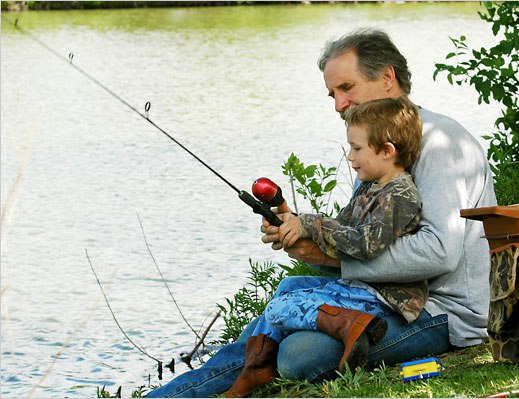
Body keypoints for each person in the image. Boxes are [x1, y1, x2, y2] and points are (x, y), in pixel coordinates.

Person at [147, 28, 496, 398]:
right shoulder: (376, 147)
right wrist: (301, 231)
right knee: (283, 308)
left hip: (442, 312)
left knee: (298, 356)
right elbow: (363, 237)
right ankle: (182, 392)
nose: (338, 104)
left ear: (387, 78)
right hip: (379, 297)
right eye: (333, 94)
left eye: (347, 87)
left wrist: (335, 256)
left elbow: (440, 252)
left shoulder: (438, 141)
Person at [224, 97, 427, 397]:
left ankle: (352, 327)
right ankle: (257, 370)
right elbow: (340, 229)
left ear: (387, 151)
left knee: (278, 308)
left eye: (357, 149)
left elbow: (365, 245)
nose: (350, 156)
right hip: (363, 285)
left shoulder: (401, 195)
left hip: (385, 297)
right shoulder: (372, 186)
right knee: (287, 289)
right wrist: (293, 225)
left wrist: (311, 224)